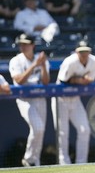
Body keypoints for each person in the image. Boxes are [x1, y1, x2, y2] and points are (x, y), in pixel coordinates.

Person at [51, 40, 95, 164]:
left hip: (75, 99)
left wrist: (77, 80)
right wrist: (80, 80)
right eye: (81, 52)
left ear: (89, 52)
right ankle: (64, 163)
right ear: (76, 52)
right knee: (63, 133)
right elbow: (64, 82)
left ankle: (81, 162)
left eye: (86, 51)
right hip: (61, 98)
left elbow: (89, 80)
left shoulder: (94, 61)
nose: (84, 54)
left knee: (84, 129)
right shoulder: (70, 61)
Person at [9, 33, 50, 166]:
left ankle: (35, 161)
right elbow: (19, 81)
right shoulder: (16, 60)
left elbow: (45, 82)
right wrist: (34, 65)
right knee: (37, 128)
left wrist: (42, 65)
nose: (23, 46)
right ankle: (28, 158)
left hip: (39, 97)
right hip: (24, 98)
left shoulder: (41, 59)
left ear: (33, 45)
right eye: (21, 44)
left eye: (26, 44)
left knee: (40, 131)